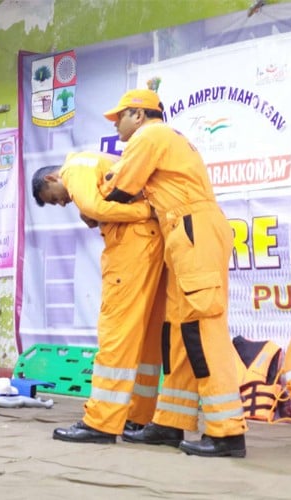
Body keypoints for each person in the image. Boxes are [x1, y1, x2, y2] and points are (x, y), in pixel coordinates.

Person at [100, 88, 248, 457]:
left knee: (202, 328)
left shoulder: (149, 136)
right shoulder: (163, 139)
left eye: (119, 117)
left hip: (192, 230)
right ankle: (171, 422)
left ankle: (227, 433)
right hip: (184, 233)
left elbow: (118, 190)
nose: (116, 124)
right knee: (179, 332)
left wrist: (95, 182)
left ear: (138, 114)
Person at [32, 150, 166, 444]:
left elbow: (95, 208)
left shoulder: (73, 167)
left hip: (131, 245)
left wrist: (142, 212)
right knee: (145, 339)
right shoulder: (100, 163)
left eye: (55, 197)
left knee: (115, 334)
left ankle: (101, 423)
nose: (63, 202)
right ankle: (137, 418)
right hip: (151, 244)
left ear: (53, 177)